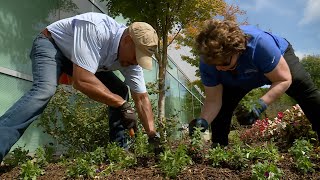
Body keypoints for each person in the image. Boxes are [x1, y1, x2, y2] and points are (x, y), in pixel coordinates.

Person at [0, 12, 161, 162]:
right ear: (127, 40)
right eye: (136, 56)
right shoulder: (96, 28)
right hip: (51, 45)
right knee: (44, 90)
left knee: (119, 91)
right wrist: (121, 104)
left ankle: (119, 150)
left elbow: (141, 98)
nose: (135, 62)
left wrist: (152, 134)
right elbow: (82, 80)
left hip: (81, 61)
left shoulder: (131, 60)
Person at [189, 19, 320, 146]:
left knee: (304, 90)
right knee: (223, 107)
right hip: (237, 75)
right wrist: (203, 121)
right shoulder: (209, 61)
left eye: (224, 62)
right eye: (214, 64)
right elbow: (213, 100)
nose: (218, 68)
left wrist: (259, 105)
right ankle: (218, 150)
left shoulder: (260, 45)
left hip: (273, 64)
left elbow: (283, 79)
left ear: (238, 50)